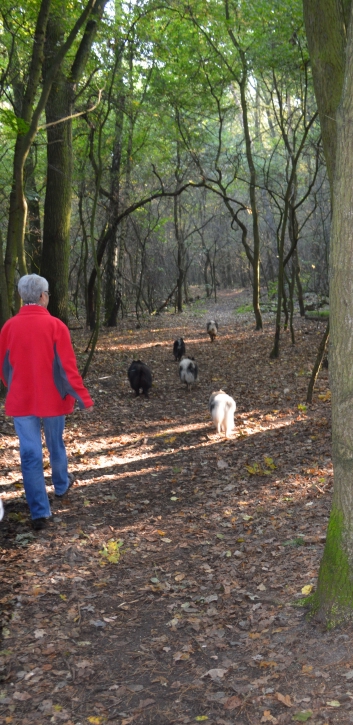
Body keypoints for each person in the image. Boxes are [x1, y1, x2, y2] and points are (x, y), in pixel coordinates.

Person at [0, 274, 93, 530]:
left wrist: (15, 386)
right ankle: (61, 486)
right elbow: (68, 368)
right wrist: (81, 395)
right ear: (42, 296)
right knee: (55, 443)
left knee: (30, 455)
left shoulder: (8, 328)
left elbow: (4, 368)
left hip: (22, 399)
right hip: (53, 399)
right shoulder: (56, 326)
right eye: (48, 293)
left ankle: (40, 513)